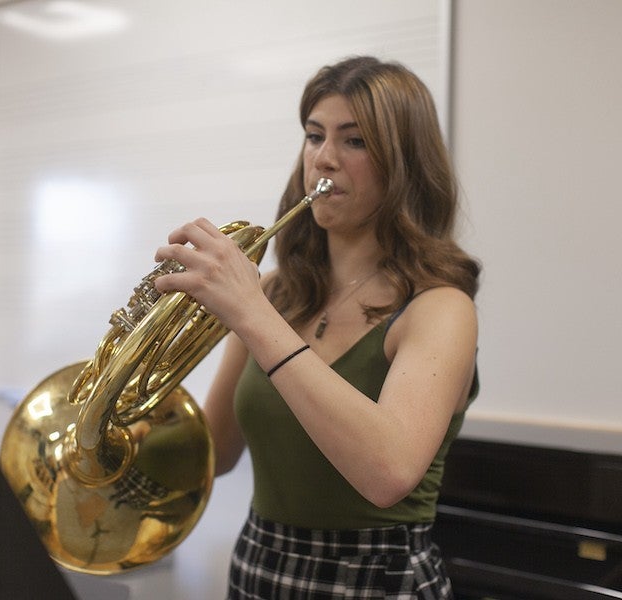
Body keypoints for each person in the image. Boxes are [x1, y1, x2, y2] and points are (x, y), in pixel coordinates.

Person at [154, 55, 481, 600]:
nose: (324, 159)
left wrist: (253, 315)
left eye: (354, 141)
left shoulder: (439, 307)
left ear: (403, 163)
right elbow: (214, 452)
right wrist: (109, 426)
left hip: (378, 578)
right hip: (261, 564)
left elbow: (389, 472)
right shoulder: (277, 293)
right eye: (314, 136)